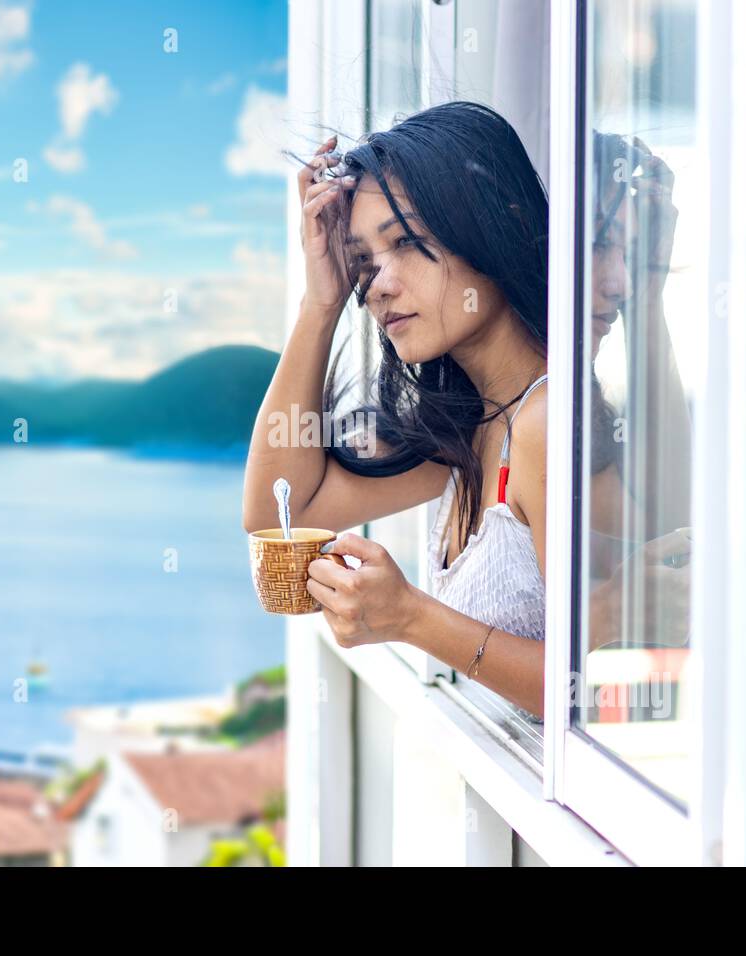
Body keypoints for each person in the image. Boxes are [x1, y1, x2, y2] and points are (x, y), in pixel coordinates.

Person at [242, 102, 689, 720]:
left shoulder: (546, 421)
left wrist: (410, 616)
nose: (377, 285)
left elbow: (569, 685)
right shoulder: (471, 425)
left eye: (405, 243)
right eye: (364, 260)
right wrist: (319, 303)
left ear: (490, 230)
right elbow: (277, 508)